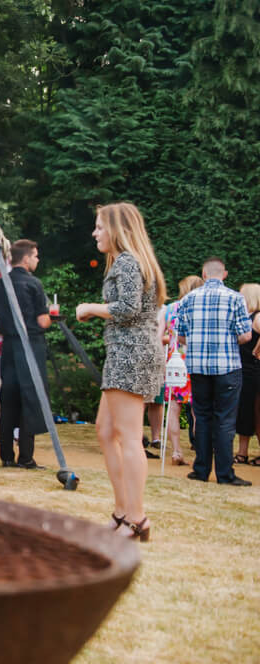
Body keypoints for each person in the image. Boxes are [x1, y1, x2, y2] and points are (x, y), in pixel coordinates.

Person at [76, 203, 167, 542]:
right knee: (105, 430)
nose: (95, 233)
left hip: (130, 353)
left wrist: (89, 309)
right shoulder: (128, 262)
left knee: (129, 437)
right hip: (127, 352)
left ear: (117, 228)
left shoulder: (128, 262)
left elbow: (126, 309)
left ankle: (136, 519)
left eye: (100, 226)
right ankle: (121, 510)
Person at [175, 257, 253, 487]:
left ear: (204, 274)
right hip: (227, 366)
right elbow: (246, 335)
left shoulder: (189, 299)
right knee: (225, 421)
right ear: (224, 274)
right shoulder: (235, 298)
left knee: (203, 417)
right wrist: (228, 341)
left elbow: (180, 336)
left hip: (198, 367)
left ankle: (201, 470)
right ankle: (225, 473)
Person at [0, 239, 52, 469]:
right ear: (26, 258)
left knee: (8, 399)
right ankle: (26, 457)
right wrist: (51, 319)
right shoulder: (33, 284)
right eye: (35, 256)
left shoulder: (0, 285)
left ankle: (6, 456)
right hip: (31, 345)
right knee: (30, 397)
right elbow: (42, 320)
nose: (37, 260)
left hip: (9, 347)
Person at [154, 275, 203, 465]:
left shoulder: (169, 309)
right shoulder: (199, 309)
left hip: (174, 362)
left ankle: (176, 451)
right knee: (198, 411)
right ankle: (201, 452)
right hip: (196, 362)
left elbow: (158, 337)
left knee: (173, 408)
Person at [234, 283, 260, 465]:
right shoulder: (247, 317)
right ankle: (242, 452)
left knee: (256, 413)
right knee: (245, 412)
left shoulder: (257, 317)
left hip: (254, 372)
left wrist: (257, 349)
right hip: (245, 371)